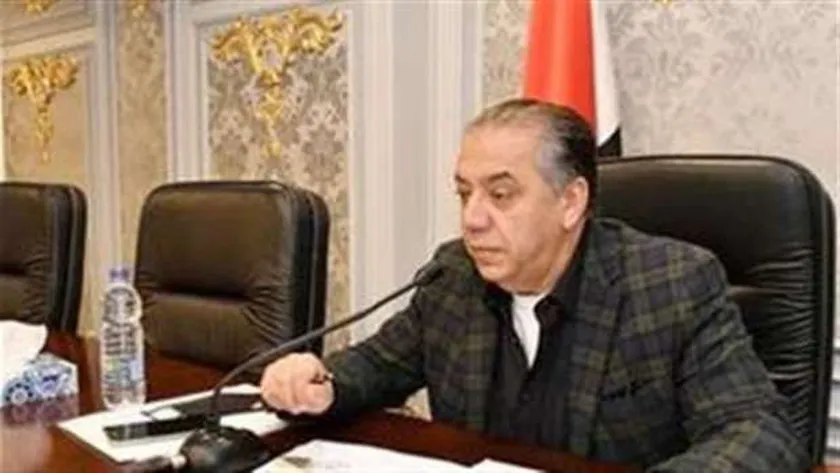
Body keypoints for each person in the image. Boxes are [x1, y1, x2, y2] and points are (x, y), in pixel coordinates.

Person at [260, 98, 807, 472]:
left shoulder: (673, 284)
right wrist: (323, 382)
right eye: (464, 193)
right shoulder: (454, 276)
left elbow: (757, 431)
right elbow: (379, 365)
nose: (472, 219)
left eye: (500, 195)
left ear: (570, 202)